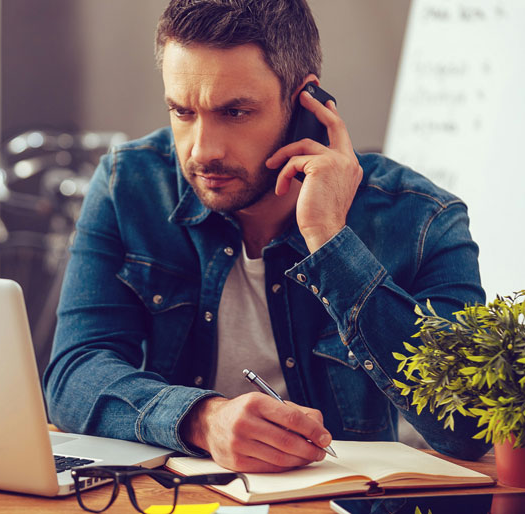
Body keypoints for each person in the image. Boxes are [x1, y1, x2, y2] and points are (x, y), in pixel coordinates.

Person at [43, 0, 490, 472]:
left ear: (307, 105)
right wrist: (202, 420)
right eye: (183, 111)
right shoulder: (127, 186)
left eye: (235, 112)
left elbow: (466, 429)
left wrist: (329, 240)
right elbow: (75, 373)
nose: (203, 150)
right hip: (172, 501)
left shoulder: (423, 218)